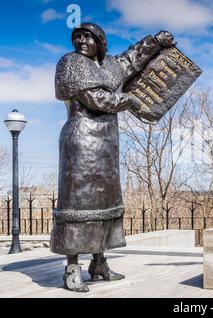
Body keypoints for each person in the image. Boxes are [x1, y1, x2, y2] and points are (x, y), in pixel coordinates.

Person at [52, 23, 176, 292]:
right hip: (81, 141)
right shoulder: (71, 64)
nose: (81, 41)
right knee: (78, 203)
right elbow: (96, 99)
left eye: (87, 37)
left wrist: (156, 41)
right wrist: (129, 100)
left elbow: (133, 58)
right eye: (77, 37)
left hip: (107, 144)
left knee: (104, 201)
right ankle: (72, 268)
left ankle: (98, 264)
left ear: (100, 41)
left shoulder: (110, 64)